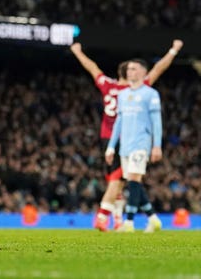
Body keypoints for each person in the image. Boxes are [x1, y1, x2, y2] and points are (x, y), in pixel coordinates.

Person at [70, 39, 182, 231]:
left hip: (107, 138)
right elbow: (158, 69)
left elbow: (92, 68)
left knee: (125, 180)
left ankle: (127, 219)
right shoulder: (135, 89)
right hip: (126, 138)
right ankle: (109, 217)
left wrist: (77, 52)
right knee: (124, 180)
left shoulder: (107, 85)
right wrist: (173, 51)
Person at [105, 59, 163, 233]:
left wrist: (156, 145)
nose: (130, 72)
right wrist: (110, 146)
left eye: (134, 69)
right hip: (125, 145)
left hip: (141, 143)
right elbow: (118, 122)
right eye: (129, 69)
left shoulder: (151, 94)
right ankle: (153, 219)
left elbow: (156, 122)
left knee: (133, 181)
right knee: (133, 182)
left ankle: (128, 223)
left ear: (143, 72)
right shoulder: (123, 95)